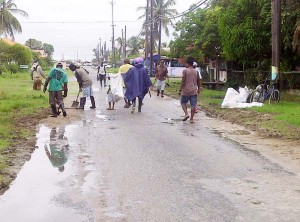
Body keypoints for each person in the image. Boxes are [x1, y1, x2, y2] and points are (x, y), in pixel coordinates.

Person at [179, 57, 201, 123]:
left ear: (188, 63)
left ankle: (186, 114)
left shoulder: (185, 70)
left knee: (183, 102)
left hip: (186, 90)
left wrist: (180, 89)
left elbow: (183, 81)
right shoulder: (196, 71)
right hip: (194, 90)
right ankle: (191, 119)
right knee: (193, 105)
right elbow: (198, 81)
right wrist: (199, 88)